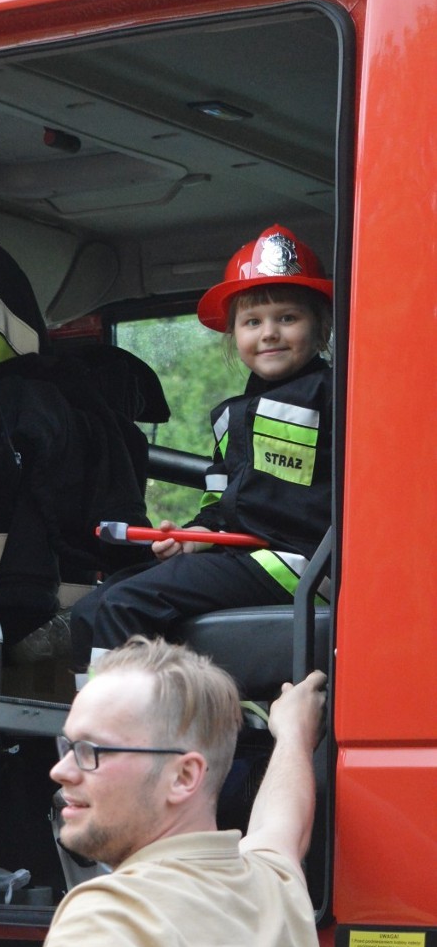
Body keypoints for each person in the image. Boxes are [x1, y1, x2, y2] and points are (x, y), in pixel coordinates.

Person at [8, 636, 326, 947]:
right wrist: (295, 735)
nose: (61, 770)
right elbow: (283, 825)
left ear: (184, 777)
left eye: (93, 750)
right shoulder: (277, 889)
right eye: (67, 745)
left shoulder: (111, 919)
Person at [70, 224, 333, 670]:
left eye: (287, 318)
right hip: (240, 552)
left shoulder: (336, 397)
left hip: (298, 562)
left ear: (321, 326)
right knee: (90, 608)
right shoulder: (232, 416)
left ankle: (119, 734)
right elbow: (220, 503)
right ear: (233, 335)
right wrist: (195, 538)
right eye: (252, 322)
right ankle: (89, 729)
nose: (268, 333)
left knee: (126, 605)